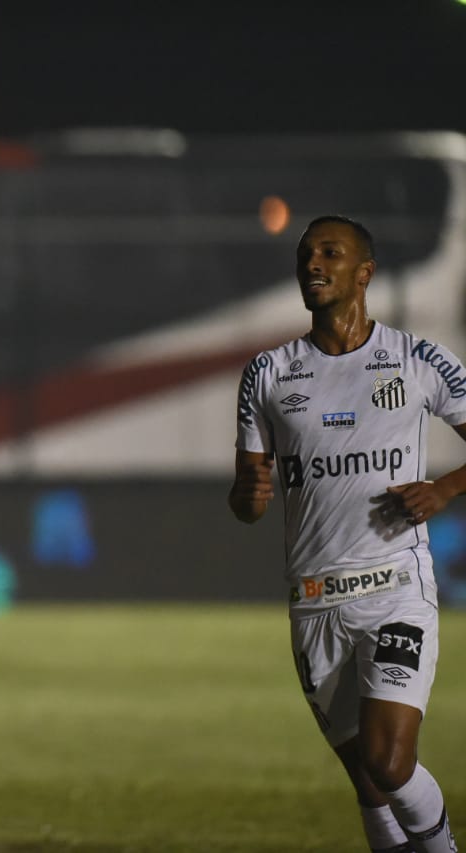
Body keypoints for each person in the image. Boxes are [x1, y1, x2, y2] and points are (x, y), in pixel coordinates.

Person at [230, 215, 459, 853]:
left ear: (365, 273)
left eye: (329, 252)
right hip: (315, 601)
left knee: (389, 760)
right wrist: (246, 496)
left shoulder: (416, 359)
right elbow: (247, 497)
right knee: (368, 780)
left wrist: (444, 488)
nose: (312, 263)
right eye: (306, 254)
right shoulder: (268, 373)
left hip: (396, 589)